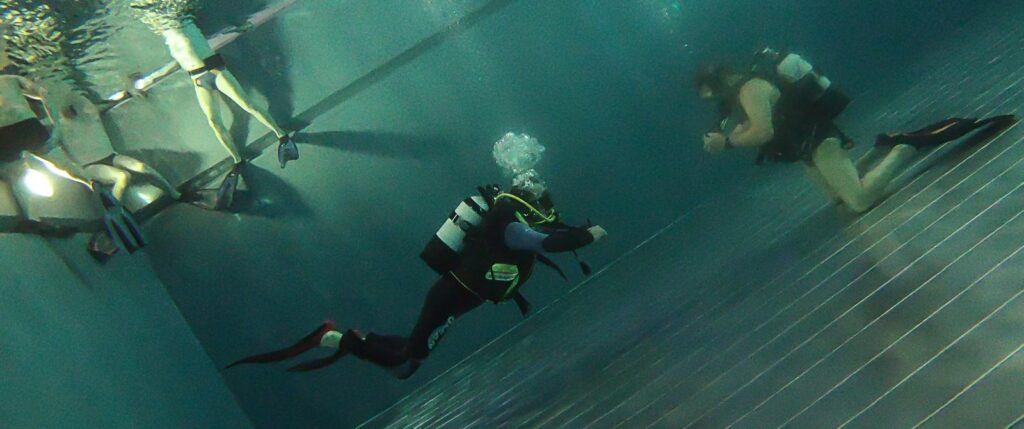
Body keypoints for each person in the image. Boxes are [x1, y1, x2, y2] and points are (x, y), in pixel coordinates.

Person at [228, 181, 608, 379]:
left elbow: (548, 234)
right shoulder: (510, 227)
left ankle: (352, 339)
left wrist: (578, 231)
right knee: (406, 365)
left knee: (414, 348)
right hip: (451, 296)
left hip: (456, 298)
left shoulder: (507, 220)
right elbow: (549, 242)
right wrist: (591, 234)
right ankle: (333, 338)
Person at [697, 48, 1015, 213]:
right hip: (807, 150)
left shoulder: (750, 90)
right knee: (838, 197)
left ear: (719, 84)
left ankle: (903, 149)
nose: (714, 102)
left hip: (819, 140)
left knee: (860, 201)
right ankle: (879, 147)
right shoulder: (742, 94)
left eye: (710, 95)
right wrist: (732, 136)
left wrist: (727, 144)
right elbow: (756, 129)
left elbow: (763, 132)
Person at [129, 0, 297, 203]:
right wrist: (151, 79)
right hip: (197, 77)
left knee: (247, 105)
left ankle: (282, 136)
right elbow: (180, 61)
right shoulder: (169, 36)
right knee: (213, 122)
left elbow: (205, 38)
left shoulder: (184, 24)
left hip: (213, 69)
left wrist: (239, 25)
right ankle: (237, 160)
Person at [0, 26, 146, 256]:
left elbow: (44, 94)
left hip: (20, 131)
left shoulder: (11, 79)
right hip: (22, 131)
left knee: (26, 171)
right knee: (32, 171)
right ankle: (41, 213)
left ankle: (88, 192)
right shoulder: (11, 79)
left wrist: (55, 123)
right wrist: (54, 122)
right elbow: (43, 94)